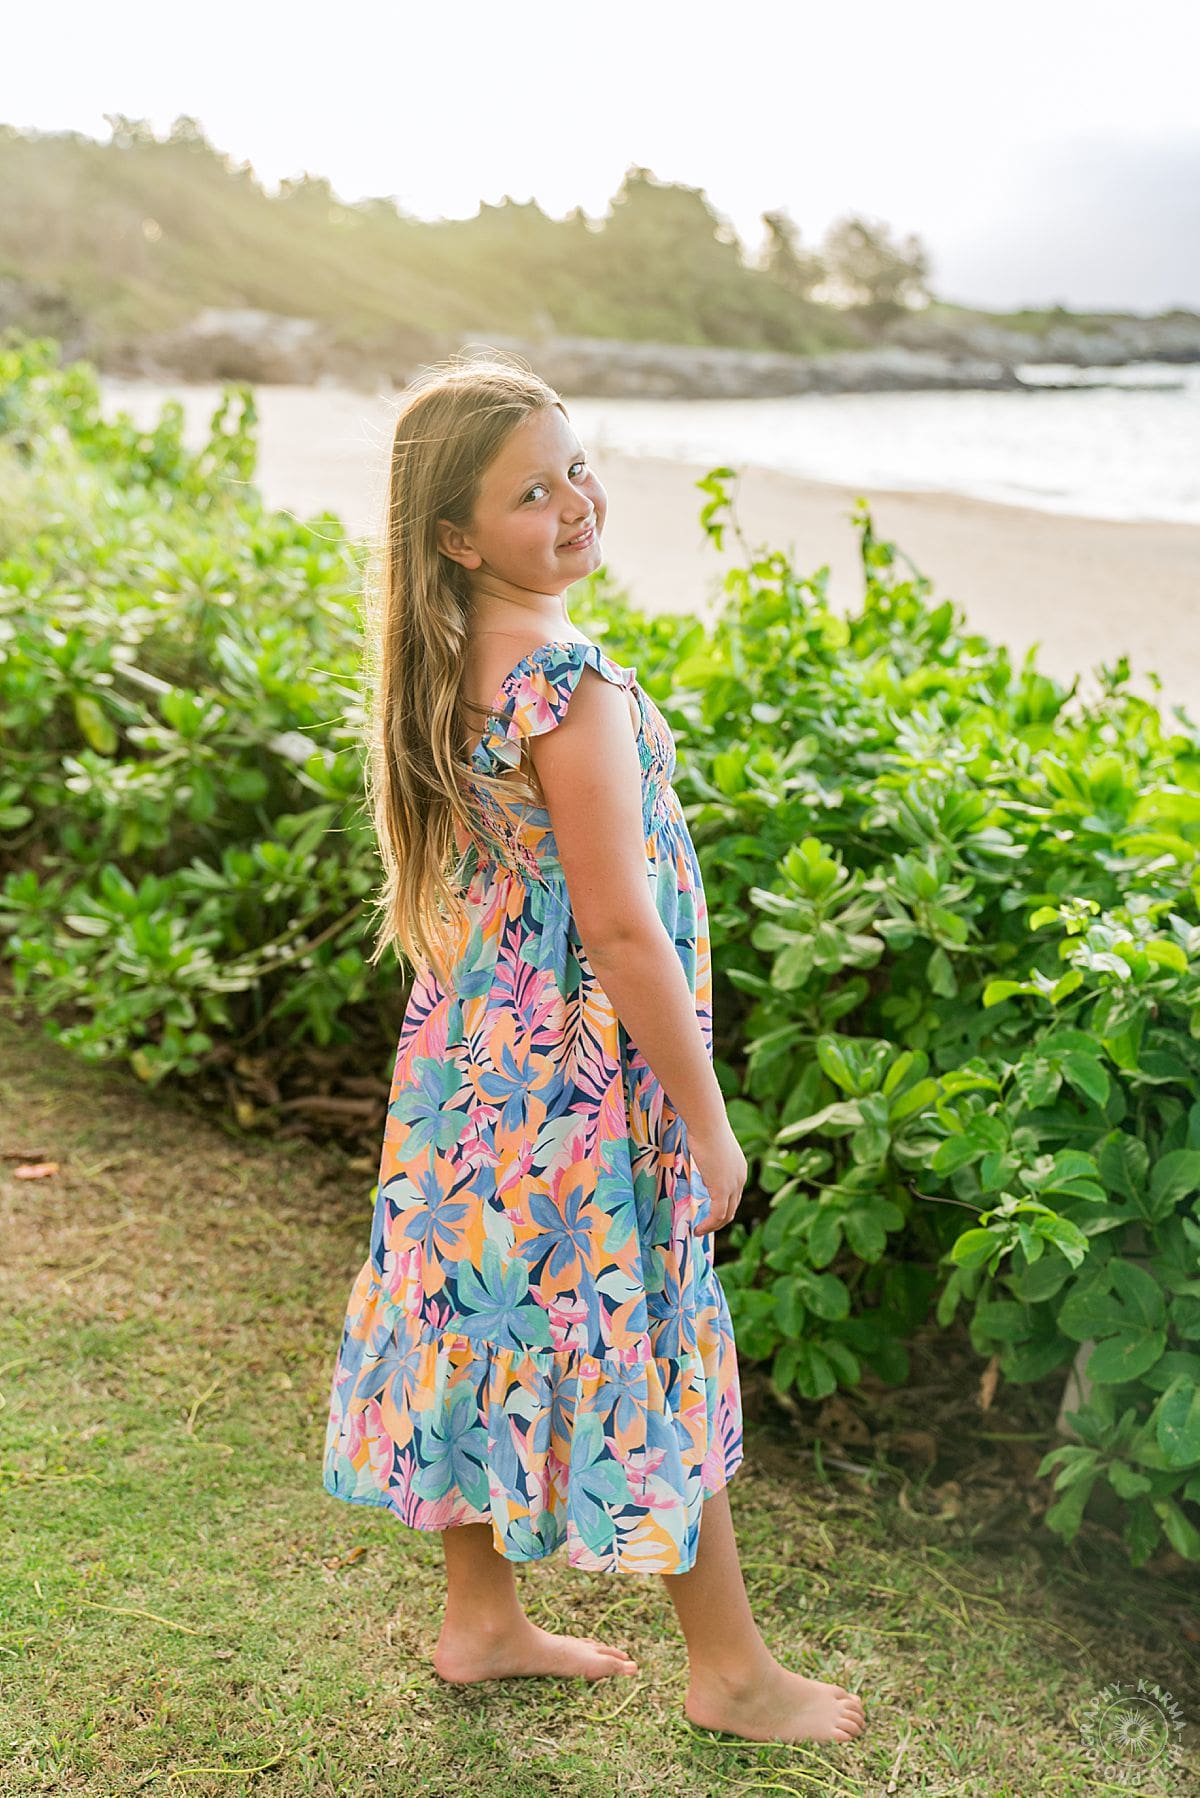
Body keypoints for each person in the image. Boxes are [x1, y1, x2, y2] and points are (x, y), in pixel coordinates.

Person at [321, 353, 866, 1747]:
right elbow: (621, 933)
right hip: (581, 1072)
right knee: (650, 1319)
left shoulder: (446, 664)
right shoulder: (567, 685)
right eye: (530, 492)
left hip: (475, 1061)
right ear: (457, 537)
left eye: (575, 466)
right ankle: (730, 1671)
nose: (575, 502)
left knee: (473, 1307)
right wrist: (711, 1122)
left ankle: (482, 1619)